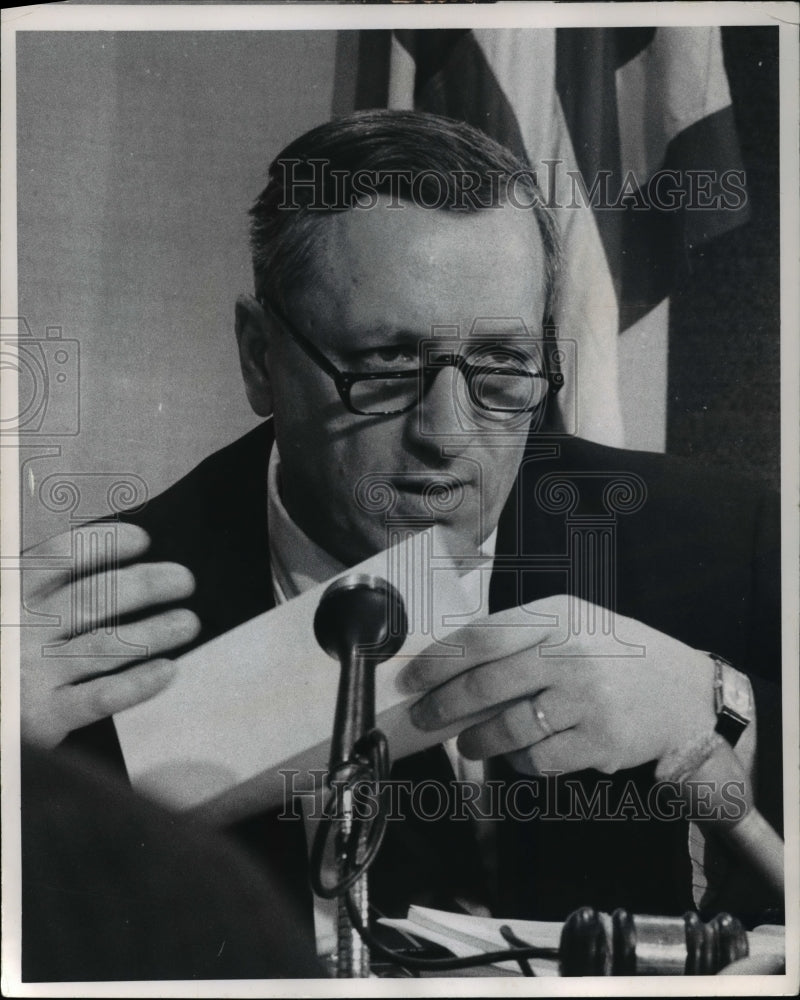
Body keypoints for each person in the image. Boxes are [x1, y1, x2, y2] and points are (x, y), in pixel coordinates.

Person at [20, 111, 782, 961]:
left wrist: (721, 712)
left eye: (500, 362)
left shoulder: (720, 537)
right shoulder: (85, 631)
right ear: (258, 357)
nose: (448, 433)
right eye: (385, 363)